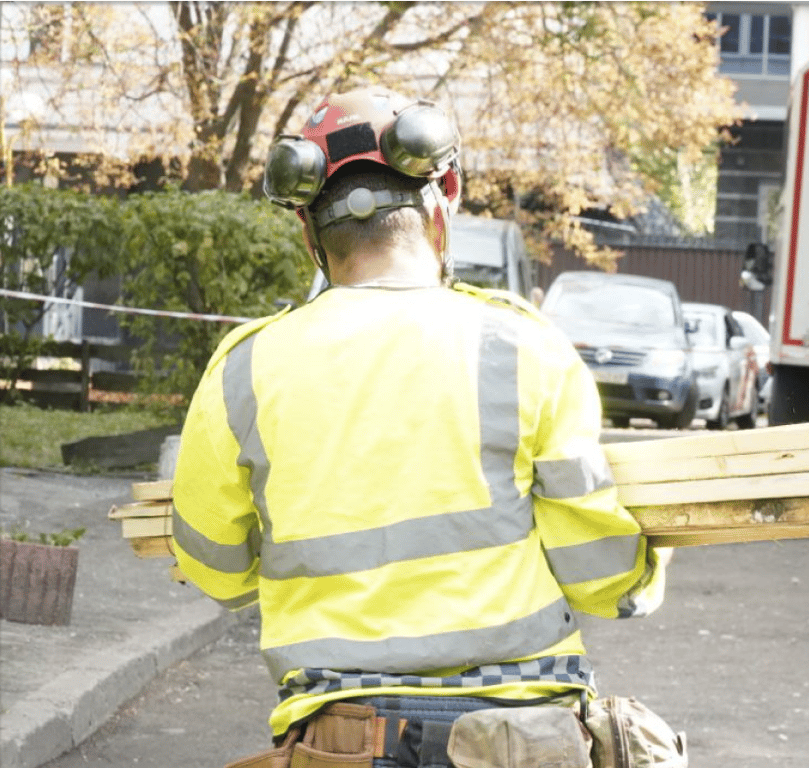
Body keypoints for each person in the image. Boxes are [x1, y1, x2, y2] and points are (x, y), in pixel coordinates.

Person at [171, 87, 669, 767]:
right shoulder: (524, 346)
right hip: (521, 734)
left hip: (342, 735)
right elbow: (602, 576)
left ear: (307, 230)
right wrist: (653, 555)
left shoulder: (246, 367)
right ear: (448, 195)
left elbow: (218, 571)